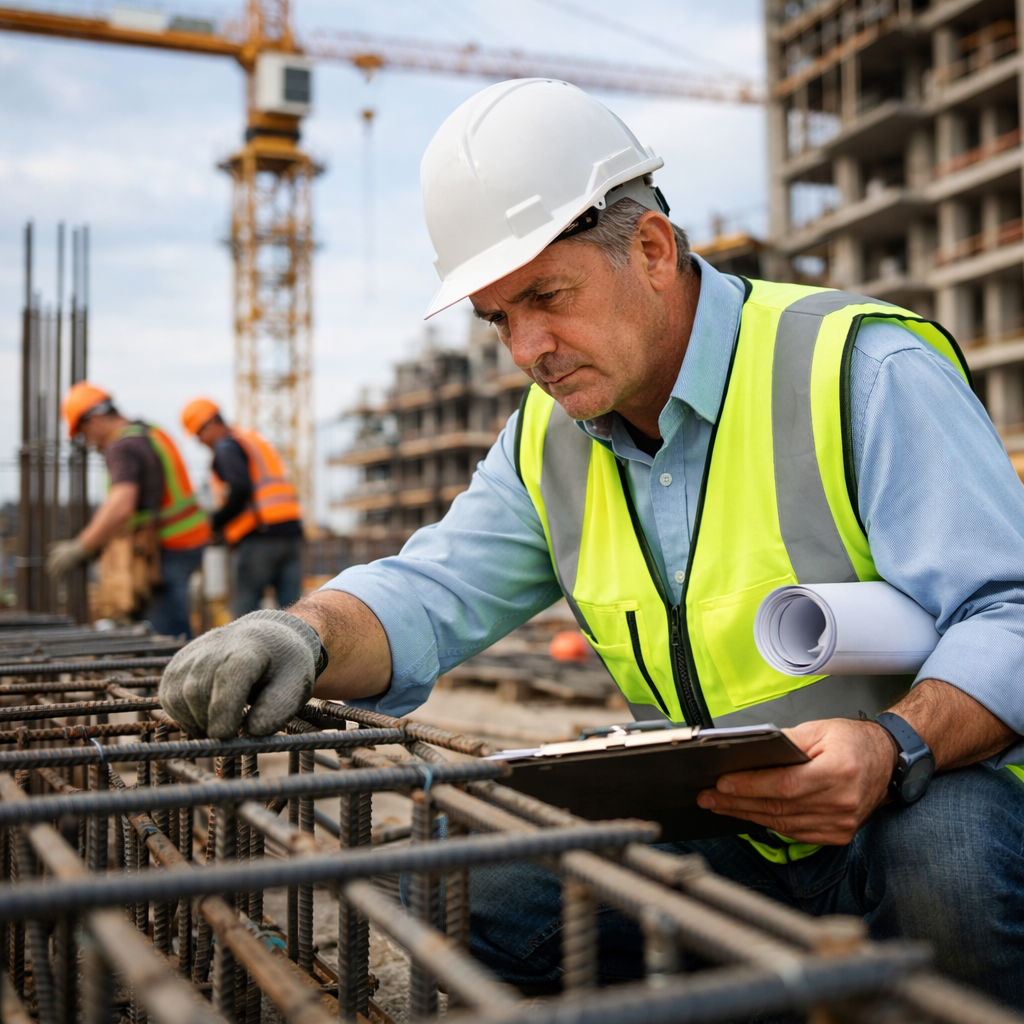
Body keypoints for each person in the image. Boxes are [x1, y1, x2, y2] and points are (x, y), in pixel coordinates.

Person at [160, 81, 1024, 1006]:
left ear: (651, 249)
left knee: (949, 866)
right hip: (729, 814)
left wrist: (892, 746)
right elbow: (431, 589)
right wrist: (304, 632)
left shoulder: (860, 369)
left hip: (914, 791)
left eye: (547, 296)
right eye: (499, 318)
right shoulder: (548, 439)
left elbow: (1009, 610)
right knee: (455, 882)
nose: (527, 347)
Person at [49, 382, 209, 636]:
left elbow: (121, 505)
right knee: (170, 623)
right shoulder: (150, 431)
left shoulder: (123, 447)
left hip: (168, 547)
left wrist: (82, 546)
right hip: (188, 540)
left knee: (165, 633)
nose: (88, 442)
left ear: (94, 420)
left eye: (83, 433)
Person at [180, 398, 303, 618]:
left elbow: (240, 489)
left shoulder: (226, 447)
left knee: (247, 614)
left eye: (199, 436)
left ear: (209, 426)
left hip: (259, 536)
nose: (201, 442)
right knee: (293, 613)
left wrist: (215, 523)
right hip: (291, 532)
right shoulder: (252, 439)